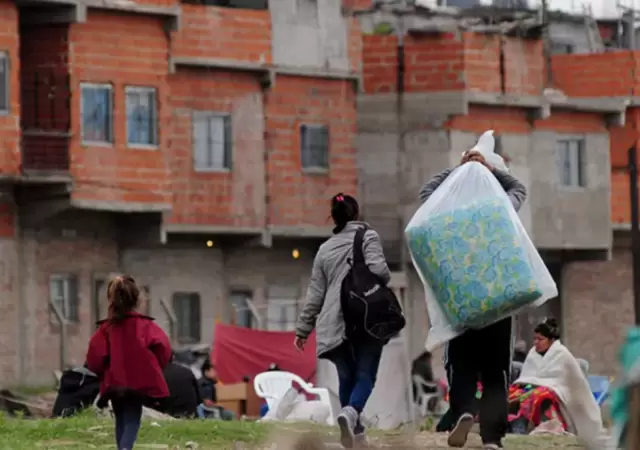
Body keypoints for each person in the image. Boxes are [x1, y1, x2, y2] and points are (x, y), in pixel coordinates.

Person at [419, 150, 527, 450]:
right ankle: (492, 438)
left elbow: (426, 191)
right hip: (497, 303)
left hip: (461, 303)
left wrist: (460, 168)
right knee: (496, 372)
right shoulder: (500, 206)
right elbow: (519, 188)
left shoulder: (446, 208)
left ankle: (465, 410)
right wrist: (488, 168)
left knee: (461, 364)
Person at [295, 193, 391, 449]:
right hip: (366, 318)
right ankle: (351, 414)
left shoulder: (325, 249)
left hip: (333, 323)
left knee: (347, 377)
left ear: (334, 217)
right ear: (356, 214)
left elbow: (315, 294)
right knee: (365, 375)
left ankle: (355, 437)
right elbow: (380, 271)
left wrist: (303, 329)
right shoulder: (368, 237)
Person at [86, 275, 172, 450]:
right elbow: (163, 349)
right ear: (137, 299)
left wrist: (103, 371)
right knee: (133, 417)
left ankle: (122, 447)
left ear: (111, 300)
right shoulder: (146, 326)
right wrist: (153, 368)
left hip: (115, 383)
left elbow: (95, 358)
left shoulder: (106, 329)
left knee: (120, 417)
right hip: (138, 382)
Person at [509, 318, 609, 447]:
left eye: (540, 339)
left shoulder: (562, 354)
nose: (536, 343)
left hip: (558, 391)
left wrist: (545, 386)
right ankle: (516, 424)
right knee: (514, 394)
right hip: (534, 387)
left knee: (539, 395)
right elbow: (527, 376)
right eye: (535, 339)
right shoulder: (533, 354)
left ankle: (539, 425)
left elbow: (566, 381)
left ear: (551, 340)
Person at [158, 354, 201, 418]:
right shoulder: (187, 371)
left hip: (169, 414)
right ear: (173, 357)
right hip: (191, 413)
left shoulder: (158, 373)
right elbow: (199, 397)